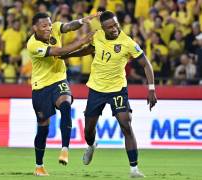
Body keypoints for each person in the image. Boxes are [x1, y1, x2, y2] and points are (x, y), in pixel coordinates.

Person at [62, 11, 157, 178]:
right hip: (96, 89)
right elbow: (88, 49)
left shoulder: (127, 43)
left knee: (126, 124)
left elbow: (146, 64)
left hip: (117, 89)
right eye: (109, 27)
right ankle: (91, 145)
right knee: (89, 131)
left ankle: (134, 169)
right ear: (103, 28)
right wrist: (67, 55)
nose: (114, 29)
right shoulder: (97, 36)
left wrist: (151, 89)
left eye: (115, 25)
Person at [27, 12, 98, 176]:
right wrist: (82, 41)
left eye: (49, 24)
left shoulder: (54, 29)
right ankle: (39, 166)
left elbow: (68, 26)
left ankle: (65, 149)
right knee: (43, 128)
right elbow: (61, 50)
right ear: (35, 28)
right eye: (44, 26)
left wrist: (81, 21)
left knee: (66, 105)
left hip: (59, 80)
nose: (48, 28)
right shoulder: (32, 45)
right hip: (41, 87)